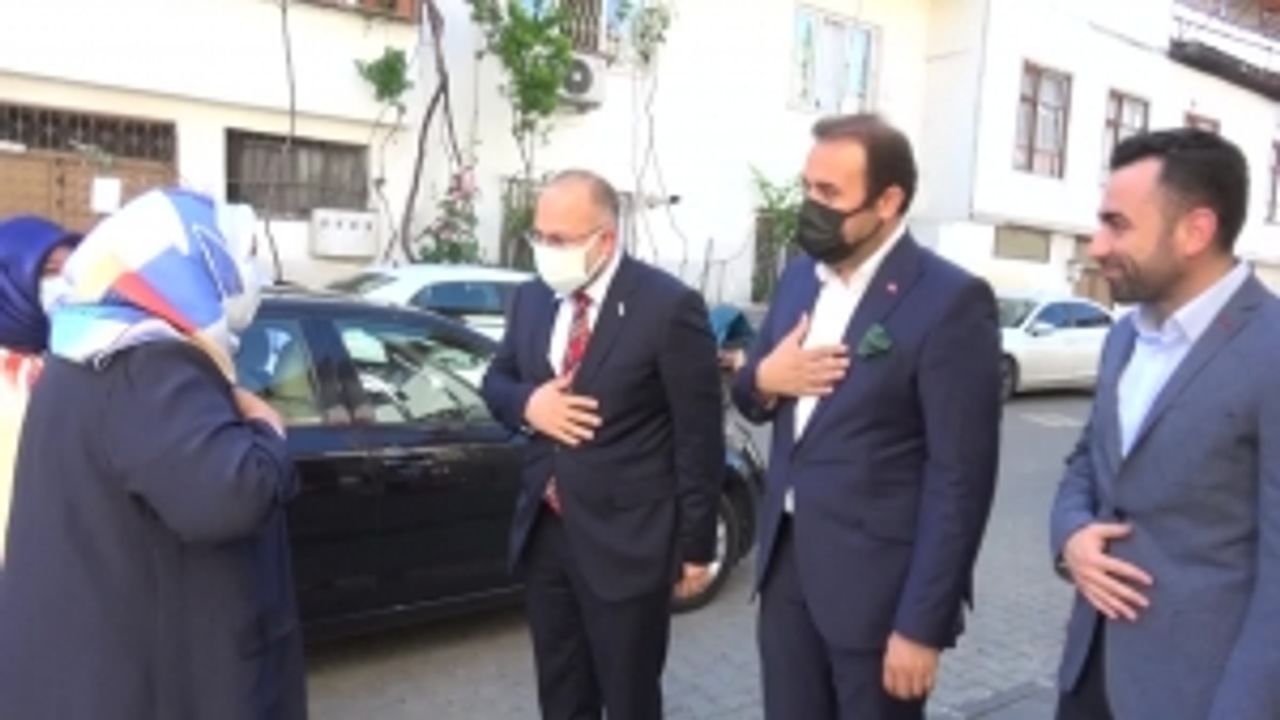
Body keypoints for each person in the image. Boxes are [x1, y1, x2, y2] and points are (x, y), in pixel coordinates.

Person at [0, 189, 307, 720]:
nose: (250, 273)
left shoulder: (82, 352)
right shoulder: (147, 361)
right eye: (240, 255)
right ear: (193, 258)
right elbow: (229, 496)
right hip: (149, 683)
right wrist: (269, 433)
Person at [733, 114, 1001, 720]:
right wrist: (763, 380)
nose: (811, 206)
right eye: (808, 187)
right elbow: (752, 397)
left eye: (830, 194)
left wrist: (923, 625)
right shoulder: (799, 279)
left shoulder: (950, 300)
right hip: (787, 574)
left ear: (888, 201)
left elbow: (960, 479)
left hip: (879, 596)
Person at [1051, 128, 1280, 720]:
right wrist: (1071, 535)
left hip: (1198, 696)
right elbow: (1088, 463)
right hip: (1090, 676)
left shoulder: (1271, 349)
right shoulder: (1125, 336)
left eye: (1117, 225)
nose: (1097, 245)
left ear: (1195, 231)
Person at [481, 169, 723, 720]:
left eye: (559, 239)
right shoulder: (532, 299)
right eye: (538, 236)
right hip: (546, 531)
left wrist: (696, 546)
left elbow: (698, 435)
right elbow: (495, 381)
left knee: (630, 697)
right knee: (562, 696)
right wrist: (529, 404)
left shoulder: (667, 306)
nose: (544, 250)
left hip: (628, 542)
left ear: (605, 240)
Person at [0, 215, 80, 567]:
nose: (61, 286)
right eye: (48, 272)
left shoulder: (79, 362)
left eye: (70, 274)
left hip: (56, 564)